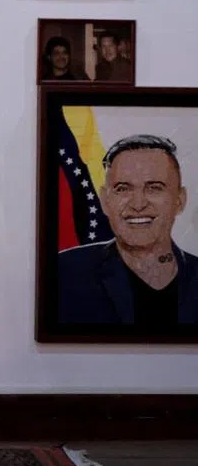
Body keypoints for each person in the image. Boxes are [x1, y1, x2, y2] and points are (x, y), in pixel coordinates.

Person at [58, 135, 198, 327]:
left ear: (179, 200)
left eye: (154, 188)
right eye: (123, 189)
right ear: (105, 201)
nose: (138, 204)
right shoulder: (63, 273)